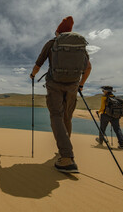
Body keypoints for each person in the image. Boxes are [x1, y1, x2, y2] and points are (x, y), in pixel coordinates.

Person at [30, 16, 92, 173]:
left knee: (56, 116)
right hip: (72, 87)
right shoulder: (80, 47)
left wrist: (32, 75)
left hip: (54, 86)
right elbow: (88, 68)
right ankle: (65, 150)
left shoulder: (52, 43)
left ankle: (66, 157)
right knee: (67, 118)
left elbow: (38, 64)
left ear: (58, 31)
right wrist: (81, 85)